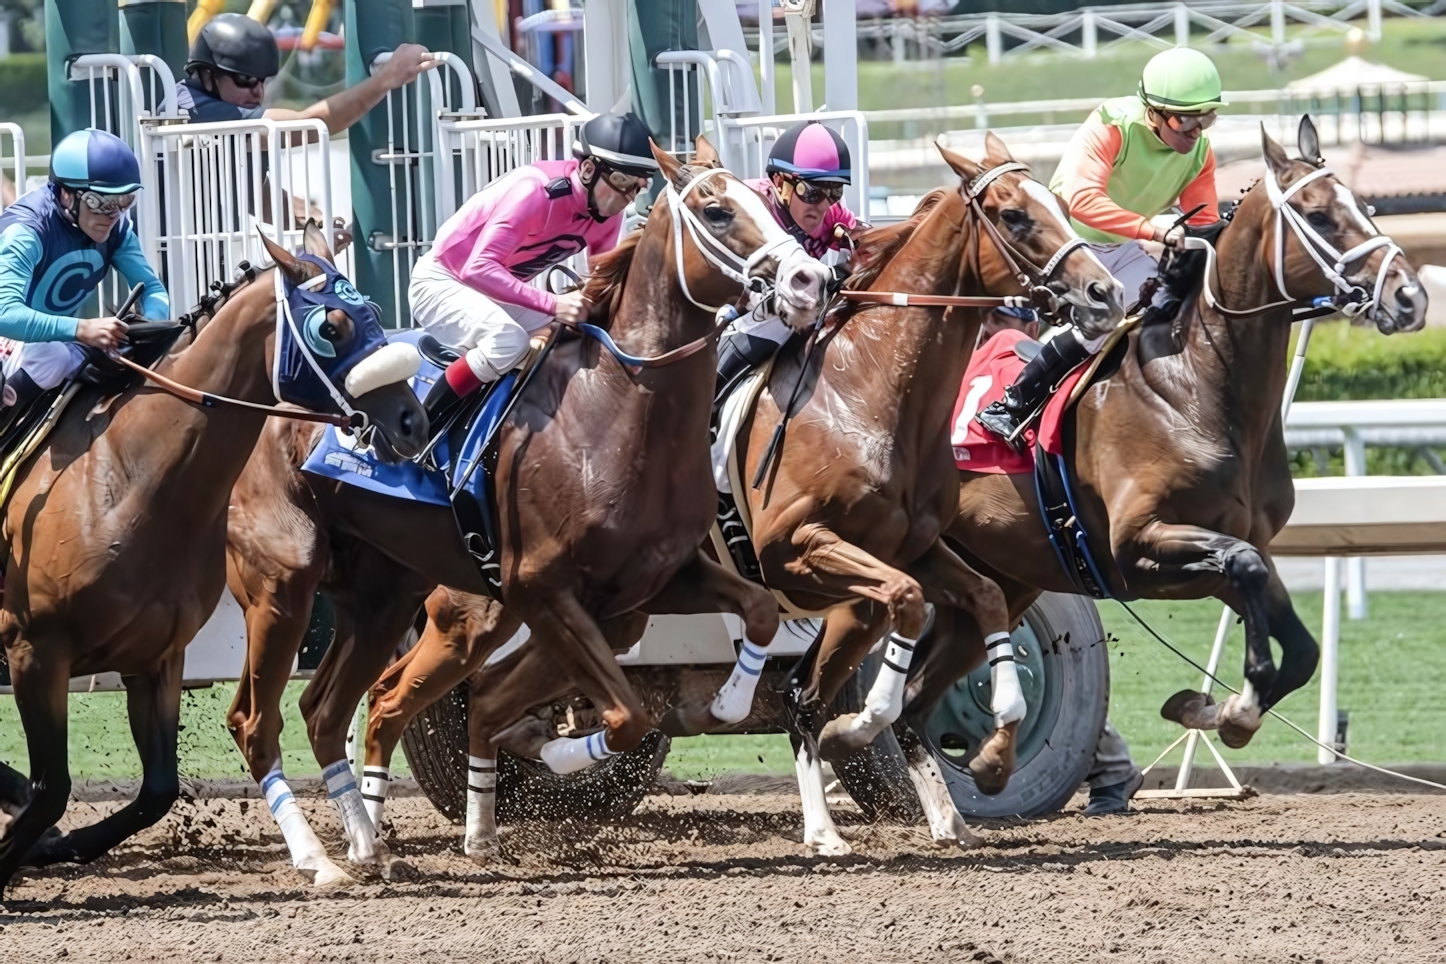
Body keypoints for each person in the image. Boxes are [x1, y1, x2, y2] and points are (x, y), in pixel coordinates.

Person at [976, 46, 1224, 447]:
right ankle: (1013, 404)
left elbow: (1203, 223)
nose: (1196, 131)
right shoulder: (1113, 126)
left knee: (1174, 307)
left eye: (1206, 118)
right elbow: (1083, 201)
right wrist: (1153, 231)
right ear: (1153, 113)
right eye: (1185, 120)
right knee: (1106, 315)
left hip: (1123, 245)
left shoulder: (1199, 152)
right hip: (1062, 244)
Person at [410, 111, 657, 416]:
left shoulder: (607, 213)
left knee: (573, 340)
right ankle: (421, 426)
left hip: (493, 291)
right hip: (443, 280)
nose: (628, 197)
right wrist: (553, 304)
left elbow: (602, 282)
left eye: (638, 186)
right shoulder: (535, 193)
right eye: (622, 181)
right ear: (589, 169)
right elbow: (477, 268)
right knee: (507, 341)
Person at [0, 129, 169, 427]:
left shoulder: (117, 230)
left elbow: (152, 289)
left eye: (124, 200)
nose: (113, 214)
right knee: (52, 357)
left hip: (45, 340)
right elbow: (5, 314)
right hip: (11, 334)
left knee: (114, 360)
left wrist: (143, 331)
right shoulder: (26, 232)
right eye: (101, 203)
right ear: (67, 194)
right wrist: (82, 329)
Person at [715, 120, 861, 392]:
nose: (822, 206)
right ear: (781, 183)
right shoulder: (750, 206)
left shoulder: (832, 214)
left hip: (786, 306)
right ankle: (707, 402)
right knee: (778, 319)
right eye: (812, 191)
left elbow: (869, 246)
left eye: (834, 192)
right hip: (731, 311)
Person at [178, 13, 438, 132]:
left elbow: (250, 190)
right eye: (244, 79)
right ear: (209, 75)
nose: (258, 92)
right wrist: (386, 79)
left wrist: (311, 223)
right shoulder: (201, 111)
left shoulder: (215, 107)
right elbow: (309, 124)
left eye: (261, 80)